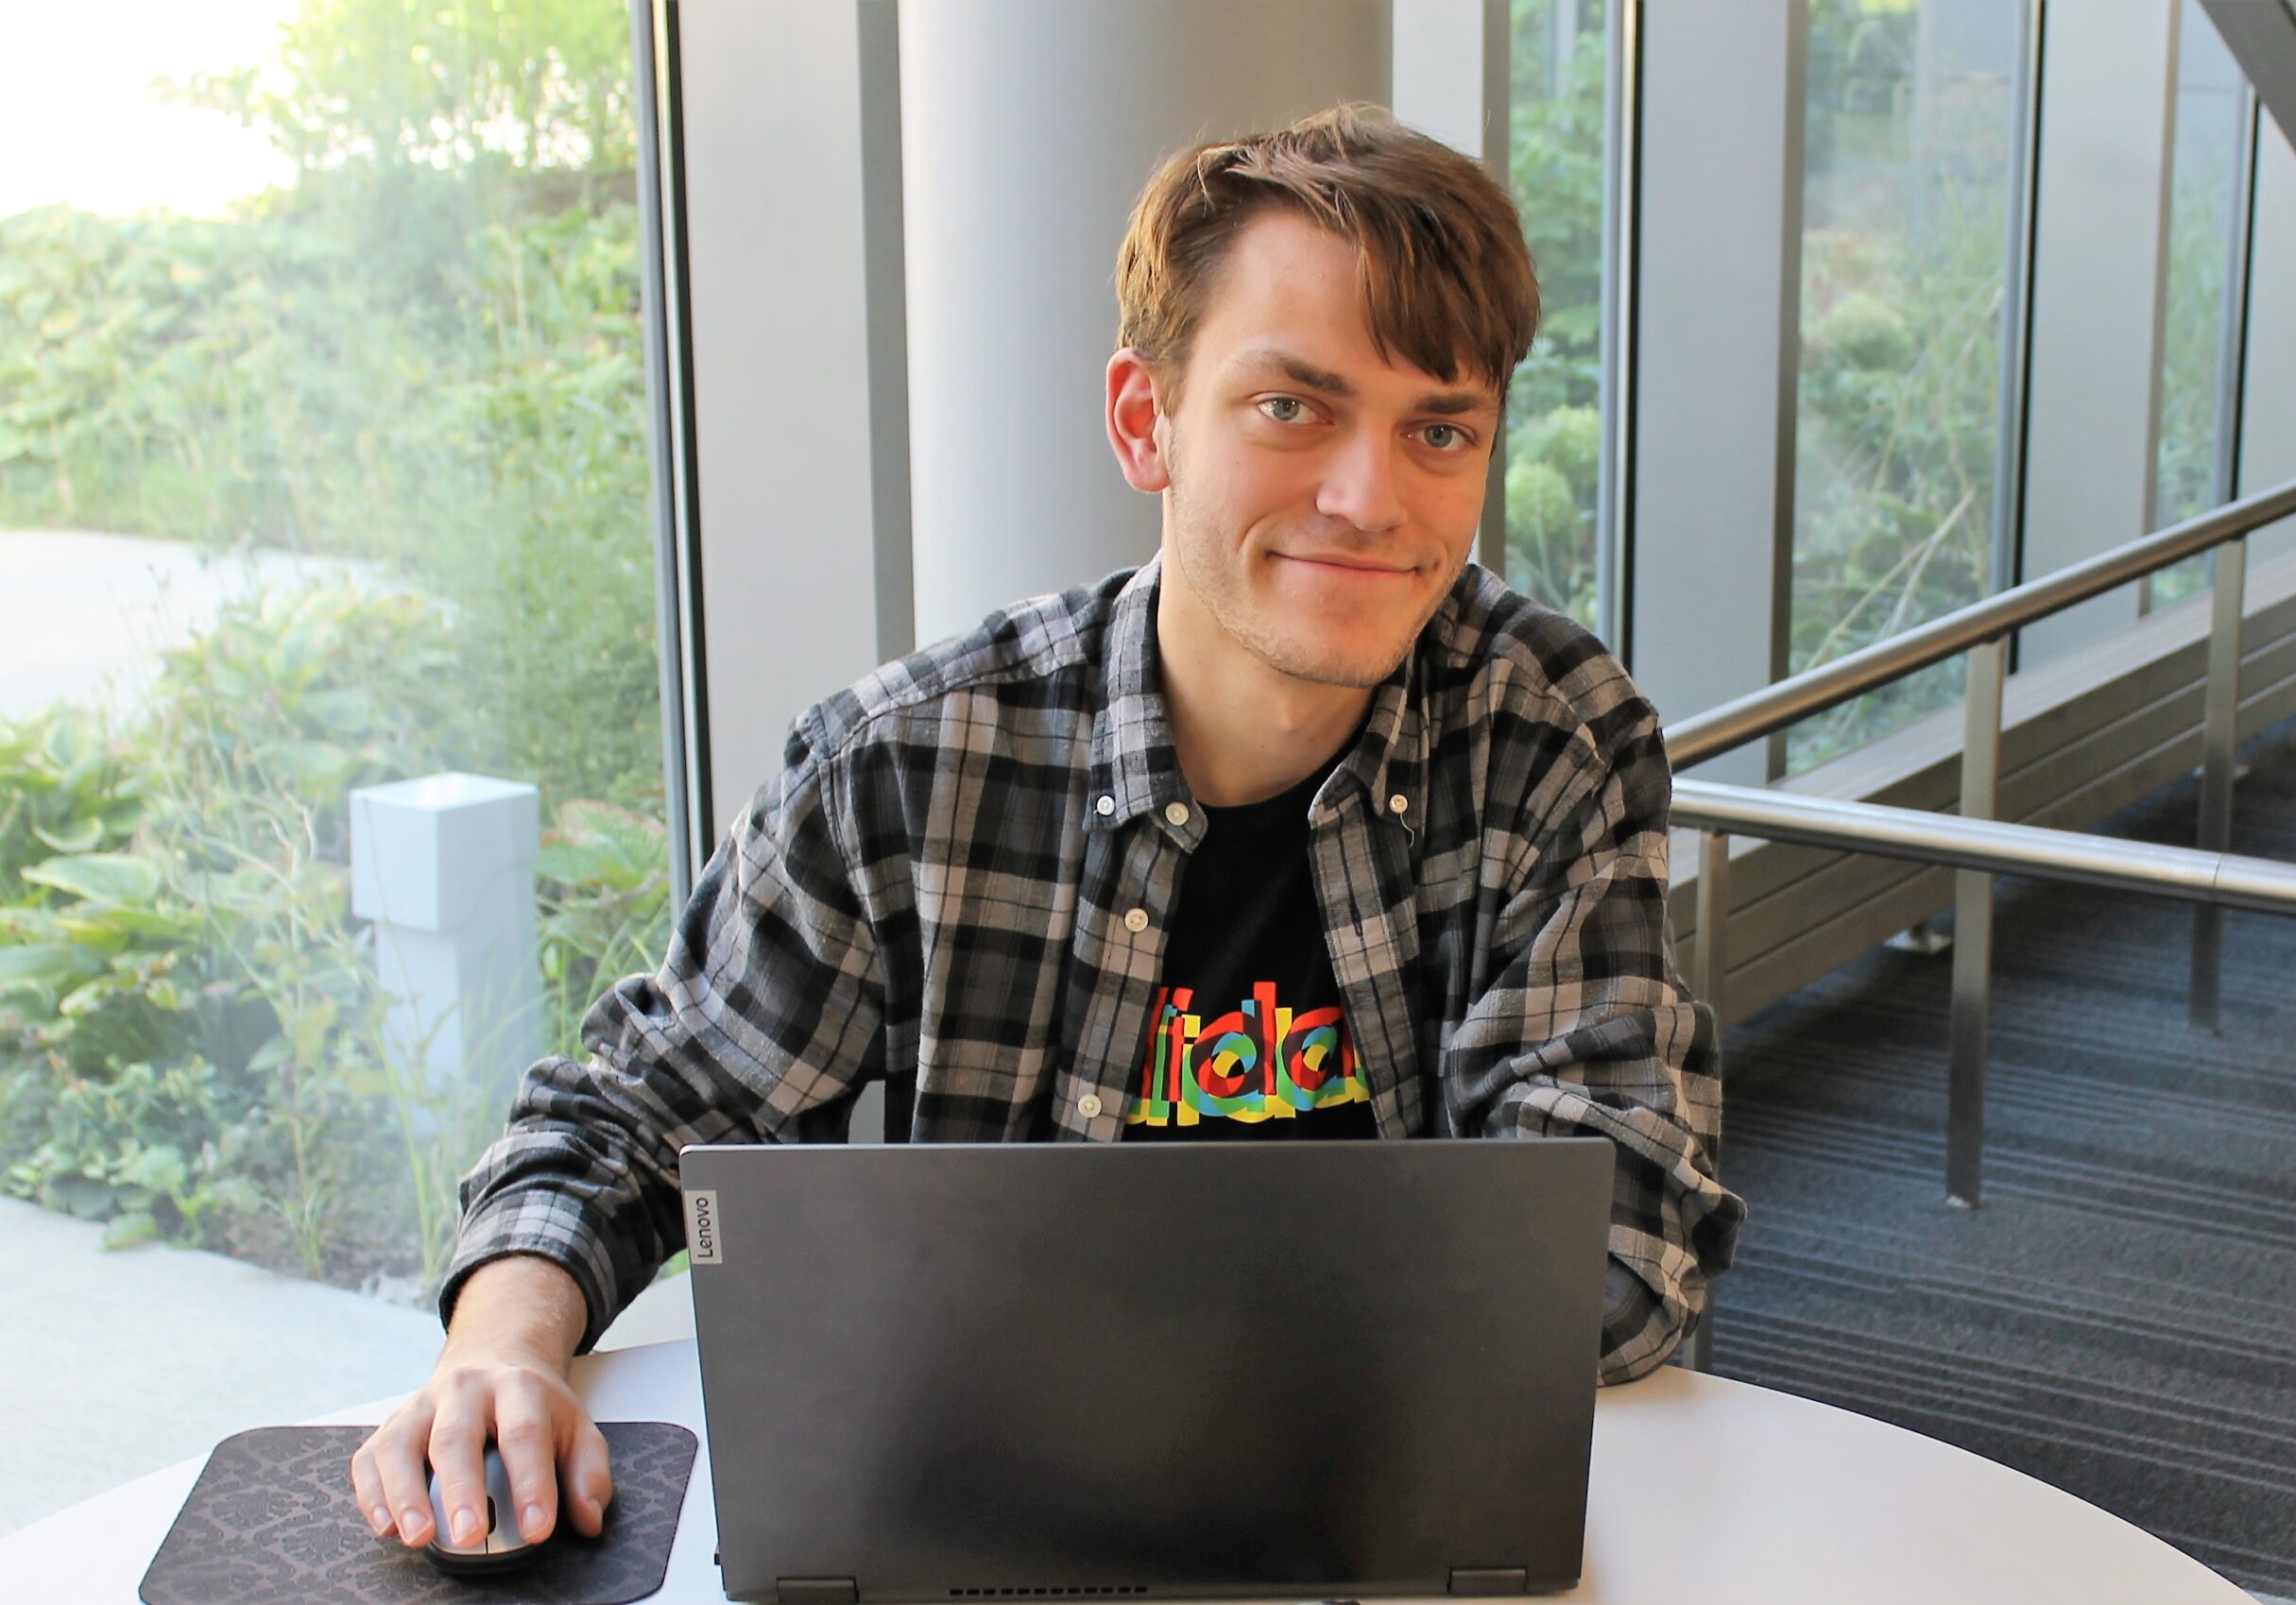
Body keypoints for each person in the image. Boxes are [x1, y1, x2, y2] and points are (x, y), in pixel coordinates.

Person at [351, 100, 1743, 1557]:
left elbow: (1618, 1237)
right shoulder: (911, 765)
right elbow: (628, 1124)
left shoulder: (1548, 738)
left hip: (1388, 1531)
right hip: (999, 1537)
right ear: (1148, 421)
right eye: (1293, 408)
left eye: (1437, 429)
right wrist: (499, 1348)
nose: (1368, 498)